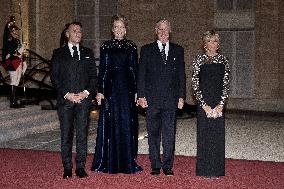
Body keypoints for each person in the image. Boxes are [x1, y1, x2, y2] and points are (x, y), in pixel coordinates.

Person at [91, 14, 142, 174]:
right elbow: (104, 70)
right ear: (112, 29)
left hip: (127, 91)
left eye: (122, 27)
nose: (119, 30)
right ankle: (109, 161)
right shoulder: (106, 46)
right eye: (116, 27)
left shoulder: (132, 46)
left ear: (125, 30)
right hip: (111, 91)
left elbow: (135, 69)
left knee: (127, 123)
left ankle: (127, 161)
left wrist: (137, 91)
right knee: (111, 123)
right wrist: (100, 91)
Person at [137, 18, 186, 176]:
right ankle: (155, 166)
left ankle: (168, 166)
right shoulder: (146, 50)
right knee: (153, 135)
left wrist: (181, 96)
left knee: (169, 135)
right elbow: (141, 74)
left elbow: (181, 75)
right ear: (156, 31)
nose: (163, 32)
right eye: (160, 29)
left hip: (171, 101)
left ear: (170, 30)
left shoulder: (178, 50)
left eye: (166, 29)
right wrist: (141, 95)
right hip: (151, 100)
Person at [51, 21, 97, 179]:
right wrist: (67, 94)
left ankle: (80, 167)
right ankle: (67, 168)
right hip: (66, 101)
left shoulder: (88, 52)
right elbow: (55, 78)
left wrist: (85, 93)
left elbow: (93, 77)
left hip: (83, 101)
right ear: (67, 34)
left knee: (82, 135)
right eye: (74, 30)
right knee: (66, 135)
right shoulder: (58, 53)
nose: (78, 33)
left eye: (80, 31)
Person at [192, 30, 230, 178]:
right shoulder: (199, 59)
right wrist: (204, 105)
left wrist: (221, 104)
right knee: (205, 136)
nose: (213, 44)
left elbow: (226, 84)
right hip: (204, 103)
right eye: (210, 41)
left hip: (218, 102)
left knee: (217, 136)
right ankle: (204, 170)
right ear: (205, 43)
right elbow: (195, 84)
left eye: (215, 41)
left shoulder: (223, 60)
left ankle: (217, 170)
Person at [1, 16, 27, 108]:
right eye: (14, 31)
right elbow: (14, 53)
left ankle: (15, 99)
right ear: (10, 32)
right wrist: (22, 48)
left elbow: (21, 54)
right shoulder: (10, 41)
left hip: (18, 62)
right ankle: (12, 101)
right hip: (12, 63)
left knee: (17, 81)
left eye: (17, 31)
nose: (16, 33)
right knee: (13, 80)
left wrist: (24, 62)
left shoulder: (18, 41)